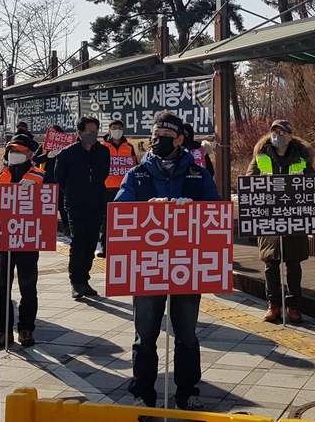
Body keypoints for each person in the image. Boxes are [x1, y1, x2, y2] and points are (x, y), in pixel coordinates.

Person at [115, 111, 219, 412]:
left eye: (165, 137)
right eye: (155, 136)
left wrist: (196, 209)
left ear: (180, 139)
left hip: (186, 267)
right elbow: (120, 213)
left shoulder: (198, 175)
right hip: (147, 267)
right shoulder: (136, 175)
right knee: (144, 335)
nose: (158, 141)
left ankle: (187, 392)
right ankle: (143, 393)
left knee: (186, 335)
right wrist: (144, 209)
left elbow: (216, 214)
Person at [248, 119, 313, 325]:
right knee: (271, 263)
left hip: (294, 215)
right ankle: (273, 304)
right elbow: (249, 183)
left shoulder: (301, 159)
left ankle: (293, 306)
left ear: (291, 135)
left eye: (283, 132)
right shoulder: (261, 158)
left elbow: (312, 186)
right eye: (274, 131)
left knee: (294, 264)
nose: (278, 135)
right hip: (269, 214)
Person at [0, 134, 45, 348]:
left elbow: (50, 204)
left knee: (28, 286)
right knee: (1, 286)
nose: (13, 155)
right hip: (3, 239)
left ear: (30, 154)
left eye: (19, 151)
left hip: (28, 238)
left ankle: (26, 329)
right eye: (11, 151)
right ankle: (3, 330)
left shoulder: (40, 176)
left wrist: (36, 190)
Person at [54, 115, 110, 298]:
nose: (92, 134)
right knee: (79, 240)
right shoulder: (67, 153)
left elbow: (104, 174)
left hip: (96, 202)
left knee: (92, 240)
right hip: (75, 203)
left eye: (95, 131)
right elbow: (59, 177)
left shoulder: (103, 152)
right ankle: (75, 281)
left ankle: (85, 278)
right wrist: (74, 191)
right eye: (89, 131)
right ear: (79, 133)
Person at [97, 119, 137, 258]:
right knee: (106, 220)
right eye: (114, 128)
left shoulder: (129, 147)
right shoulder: (102, 147)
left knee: (124, 220)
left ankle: (123, 246)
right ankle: (105, 247)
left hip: (124, 189)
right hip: (106, 188)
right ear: (109, 130)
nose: (117, 130)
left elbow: (134, 166)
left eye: (120, 127)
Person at [33, 124, 70, 238]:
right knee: (47, 206)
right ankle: (47, 229)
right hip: (47, 180)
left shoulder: (66, 146)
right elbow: (35, 159)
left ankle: (67, 229)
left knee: (63, 206)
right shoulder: (43, 146)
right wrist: (47, 155)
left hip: (62, 180)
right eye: (49, 133)